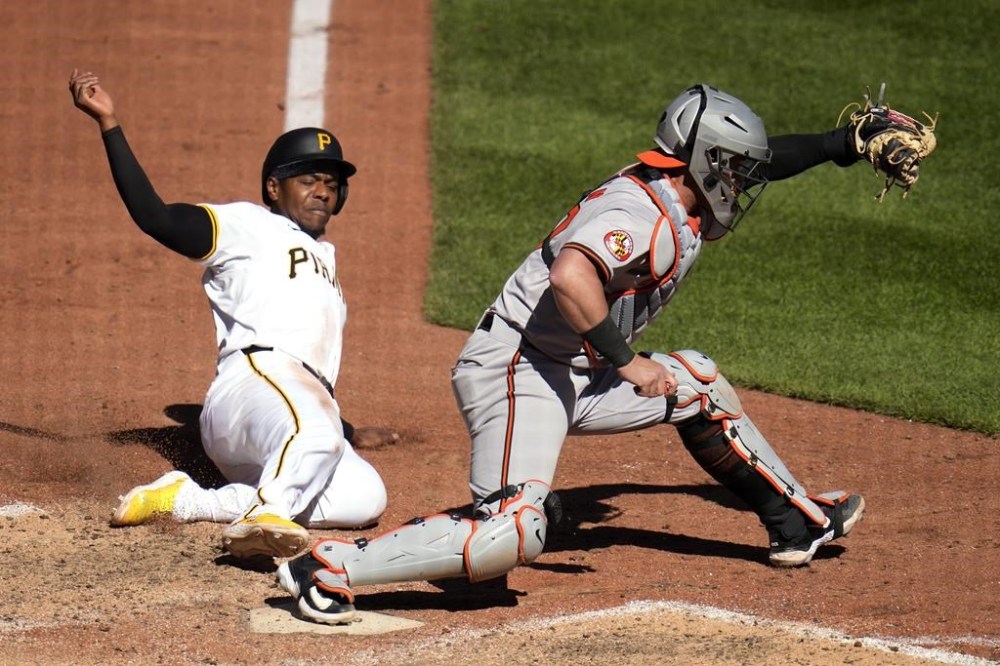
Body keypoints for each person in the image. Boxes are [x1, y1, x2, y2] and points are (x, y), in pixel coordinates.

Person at [276, 83, 878, 624]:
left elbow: (771, 161)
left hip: (573, 372)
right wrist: (629, 363)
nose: (744, 181)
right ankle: (330, 567)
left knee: (699, 384)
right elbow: (570, 277)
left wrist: (841, 144)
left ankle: (796, 521)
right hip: (517, 369)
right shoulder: (635, 214)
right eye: (736, 169)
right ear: (704, 162)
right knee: (513, 532)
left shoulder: (680, 192)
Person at [68, 69, 393, 561]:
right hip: (250, 388)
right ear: (273, 188)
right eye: (308, 179)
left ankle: (186, 500)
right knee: (313, 438)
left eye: (331, 183)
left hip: (292, 413)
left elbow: (306, 367)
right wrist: (108, 122)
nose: (323, 191)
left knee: (365, 496)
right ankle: (265, 519)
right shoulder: (248, 224)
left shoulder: (326, 261)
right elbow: (155, 218)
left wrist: (343, 430)